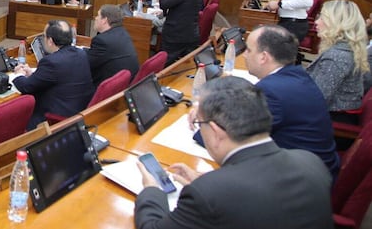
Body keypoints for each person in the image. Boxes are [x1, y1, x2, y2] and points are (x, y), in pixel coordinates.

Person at [135, 76, 333, 229]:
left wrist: (151, 190)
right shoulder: (310, 161)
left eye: (198, 124)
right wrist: (208, 182)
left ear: (215, 131)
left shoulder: (209, 194)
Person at [243, 25, 340, 179]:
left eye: (248, 50)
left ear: (263, 57)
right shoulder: (296, 75)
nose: (244, 55)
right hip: (315, 168)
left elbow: (237, 135)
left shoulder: (271, 91)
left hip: (301, 182)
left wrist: (204, 117)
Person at [13, 20, 94, 129]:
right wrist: (32, 73)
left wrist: (19, 74)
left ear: (50, 41)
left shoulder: (51, 62)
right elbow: (60, 76)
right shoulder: (81, 54)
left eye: (44, 36)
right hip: (78, 111)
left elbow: (26, 87)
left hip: (54, 119)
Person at [306, 0, 369, 122]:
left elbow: (316, 99)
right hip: (333, 115)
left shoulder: (337, 57)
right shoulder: (344, 48)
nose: (316, 22)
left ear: (336, 23)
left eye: (322, 18)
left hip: (331, 121)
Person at [157, 0, 204, 65]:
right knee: (184, 67)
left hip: (175, 35)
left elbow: (164, 4)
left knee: (164, 64)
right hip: (191, 34)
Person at [87, 4, 139, 86]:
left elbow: (85, 64)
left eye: (98, 15)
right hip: (125, 85)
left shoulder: (102, 41)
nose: (95, 18)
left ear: (104, 20)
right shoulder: (123, 33)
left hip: (104, 89)